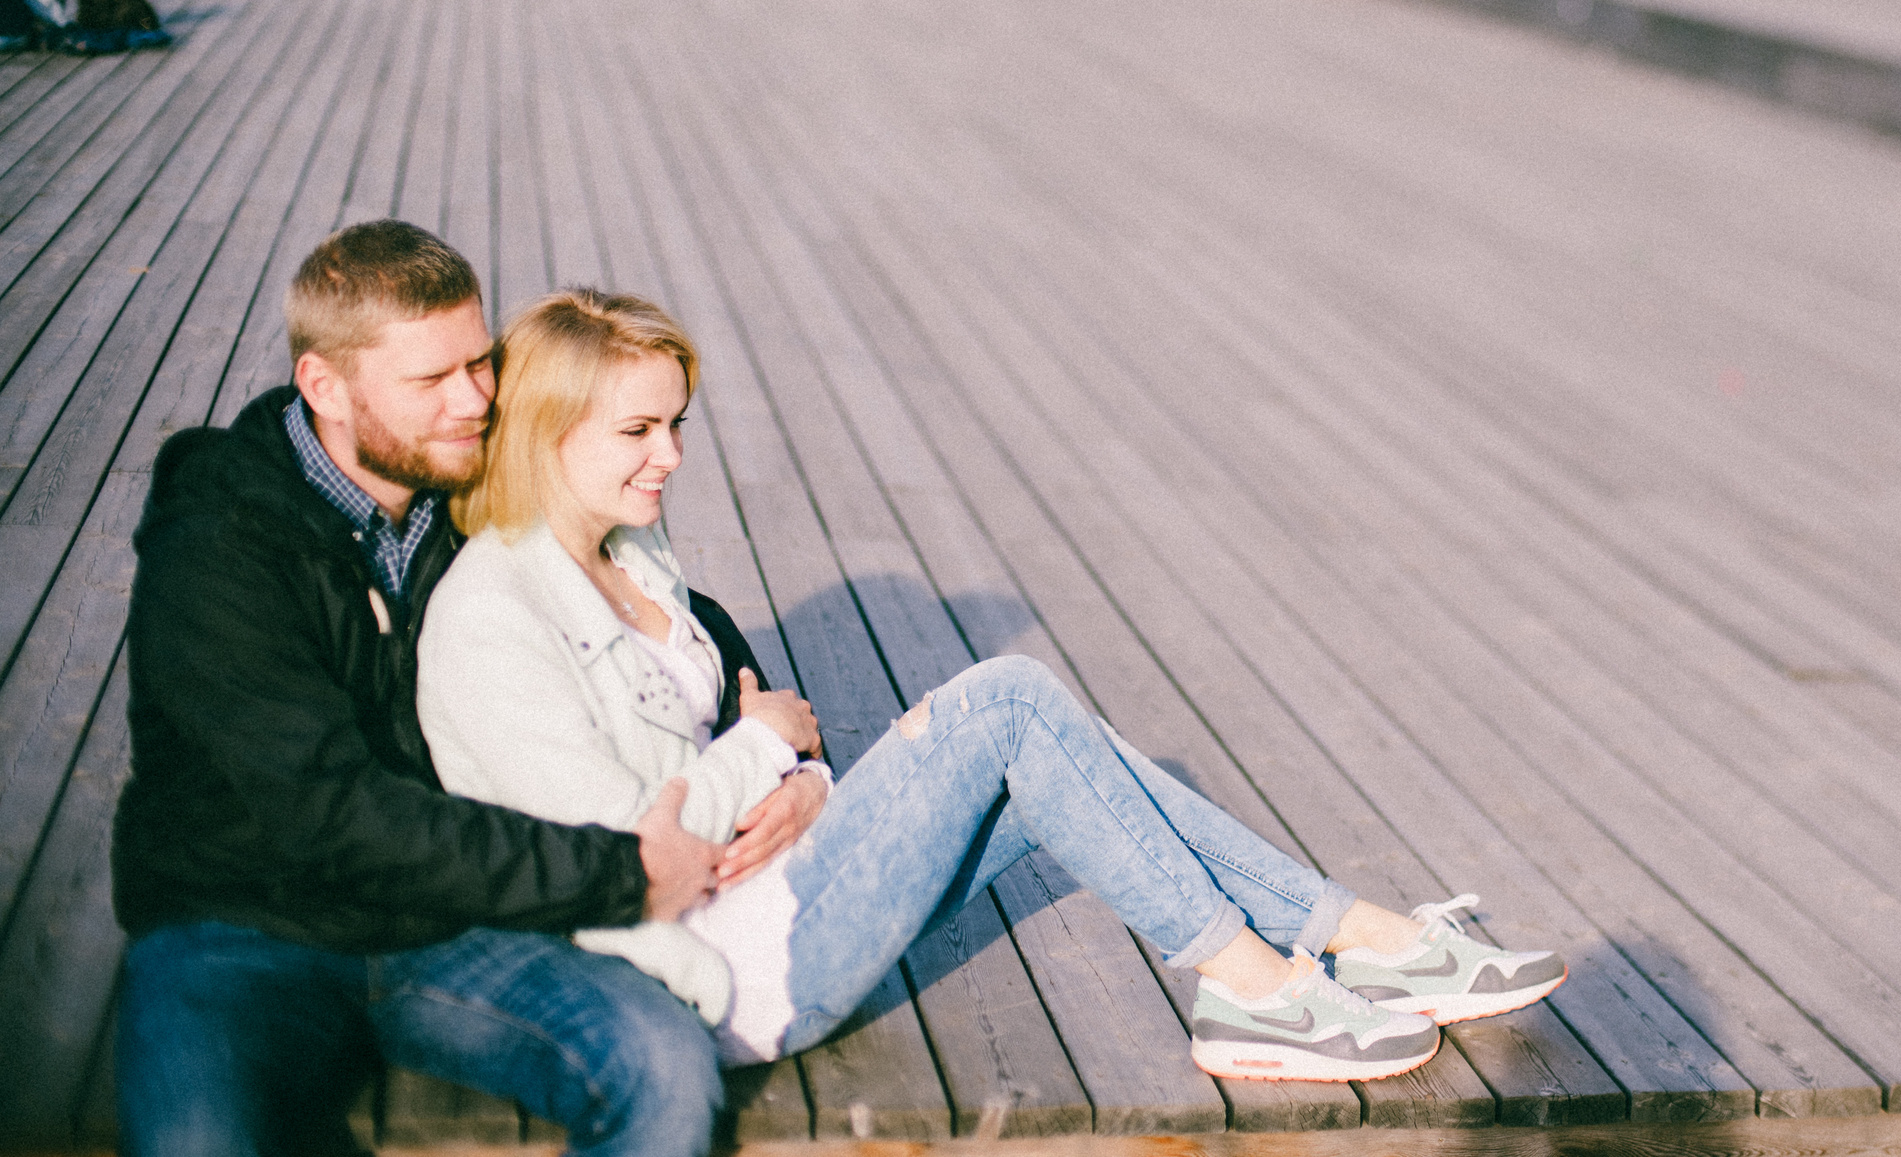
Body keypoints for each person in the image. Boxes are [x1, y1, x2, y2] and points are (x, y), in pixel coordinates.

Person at [416, 290, 1568, 1084]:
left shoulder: (628, 555)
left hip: (778, 893)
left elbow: (754, 742)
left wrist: (808, 775)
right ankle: (1263, 987)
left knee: (1065, 756)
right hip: (728, 977)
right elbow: (626, 838)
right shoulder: (490, 615)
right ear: (550, 429)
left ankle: (1350, 937)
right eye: (638, 428)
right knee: (1011, 702)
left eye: (675, 423)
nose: (669, 453)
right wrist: (769, 745)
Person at [114, 222, 737, 1157]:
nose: (476, 399)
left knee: (665, 1071)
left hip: (453, 923)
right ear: (324, 386)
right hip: (242, 927)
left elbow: (663, 607)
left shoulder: (458, 476)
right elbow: (328, 812)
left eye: (479, 362)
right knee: (195, 1142)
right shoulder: (220, 549)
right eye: (432, 380)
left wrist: (776, 726)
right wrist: (619, 873)